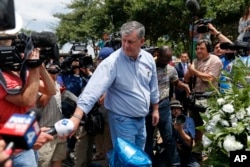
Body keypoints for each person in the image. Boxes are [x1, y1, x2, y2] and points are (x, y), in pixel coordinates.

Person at [69, 21, 160, 152]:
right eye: (124, 41)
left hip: (141, 120)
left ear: (142, 41)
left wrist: (155, 108)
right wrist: (76, 117)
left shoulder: (148, 59)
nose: (126, 45)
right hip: (122, 120)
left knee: (138, 158)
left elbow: (153, 85)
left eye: (130, 42)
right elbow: (92, 90)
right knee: (128, 161)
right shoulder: (112, 63)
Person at [0, 16, 55, 166]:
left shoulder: (18, 73)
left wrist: (39, 64)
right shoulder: (2, 78)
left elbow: (51, 90)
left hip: (27, 141)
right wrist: (34, 67)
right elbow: (27, 100)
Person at [145, 46, 190, 167]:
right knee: (148, 138)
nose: (167, 61)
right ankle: (148, 163)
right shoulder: (146, 67)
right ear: (157, 54)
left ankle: (175, 162)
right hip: (147, 107)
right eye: (166, 58)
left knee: (168, 136)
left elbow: (175, 82)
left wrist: (184, 86)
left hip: (163, 106)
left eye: (169, 59)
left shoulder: (171, 69)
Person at [37, 64, 67, 167]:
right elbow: (43, 102)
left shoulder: (58, 84)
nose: (54, 74)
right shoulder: (38, 85)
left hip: (59, 129)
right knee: (43, 163)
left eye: (56, 71)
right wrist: (50, 84)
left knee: (58, 160)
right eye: (51, 71)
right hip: (45, 131)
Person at [92, 47, 114, 165]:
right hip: (103, 116)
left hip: (110, 116)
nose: (98, 62)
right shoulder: (100, 72)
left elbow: (101, 100)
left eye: (100, 60)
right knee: (105, 146)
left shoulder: (111, 71)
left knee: (109, 147)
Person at [170, 100, 200, 167]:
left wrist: (180, 129)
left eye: (177, 108)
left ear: (181, 110)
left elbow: (190, 141)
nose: (176, 111)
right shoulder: (167, 121)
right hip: (171, 152)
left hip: (185, 152)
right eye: (173, 109)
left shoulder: (188, 120)